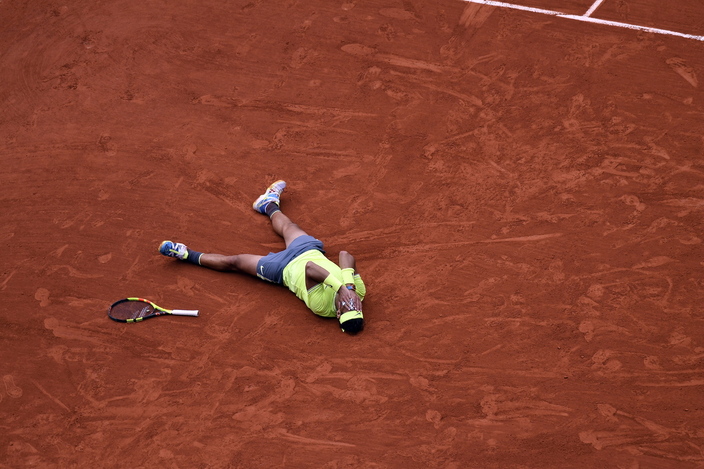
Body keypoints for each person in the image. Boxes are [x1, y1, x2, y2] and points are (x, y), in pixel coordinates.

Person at [158, 180, 366, 334]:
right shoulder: (360, 293)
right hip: (307, 250)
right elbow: (344, 255)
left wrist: (341, 289)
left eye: (345, 309)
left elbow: (310, 268)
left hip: (282, 268)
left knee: (235, 262)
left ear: (338, 314)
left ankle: (186, 254)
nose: (349, 305)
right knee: (289, 227)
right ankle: (267, 204)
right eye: (354, 307)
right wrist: (349, 287)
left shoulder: (321, 308)